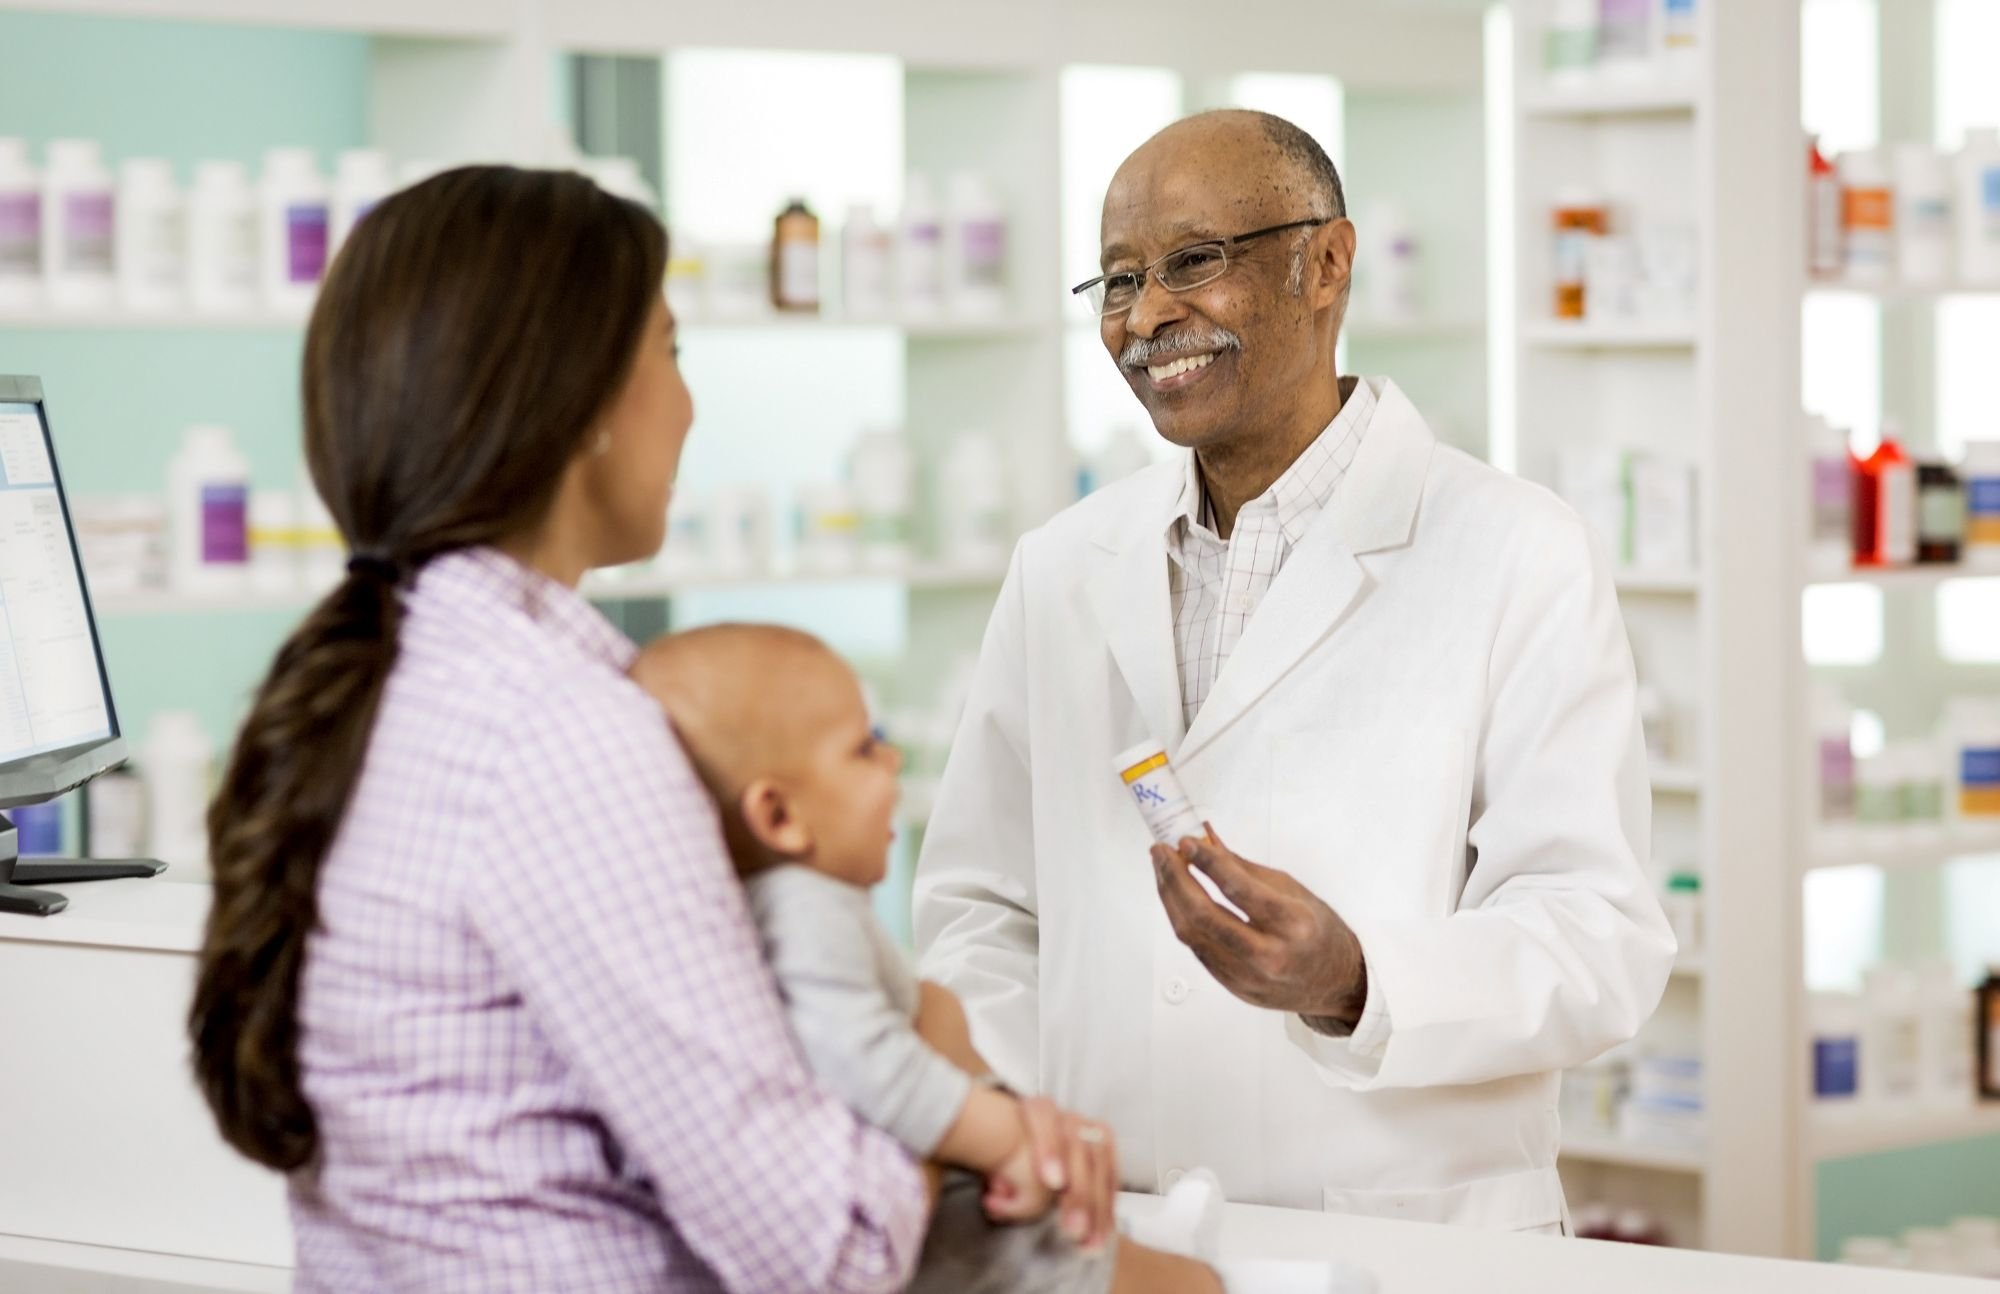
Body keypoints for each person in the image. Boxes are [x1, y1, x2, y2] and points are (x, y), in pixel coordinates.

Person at [184, 165, 1113, 1292]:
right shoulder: (561, 737)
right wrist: (931, 1063)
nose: (688, 403)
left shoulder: (405, 677)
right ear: (580, 412)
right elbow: (828, 1248)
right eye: (670, 353)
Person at [913, 109, 1677, 1234]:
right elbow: (980, 906)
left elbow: (1593, 931)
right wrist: (1018, 1119)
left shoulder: (1515, 549)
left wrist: (1353, 978)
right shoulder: (1063, 567)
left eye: (1192, 262)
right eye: (1117, 281)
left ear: (1325, 262)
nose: (1147, 316)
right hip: (1118, 1234)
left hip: (1407, 1237)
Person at [631, 624, 1370, 1294]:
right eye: (863, 750)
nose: (890, 761)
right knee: (1065, 1265)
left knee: (1082, 1251)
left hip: (928, 1160)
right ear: (779, 817)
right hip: (915, 1198)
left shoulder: (792, 906)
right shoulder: (807, 912)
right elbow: (867, 1062)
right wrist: (1007, 1136)